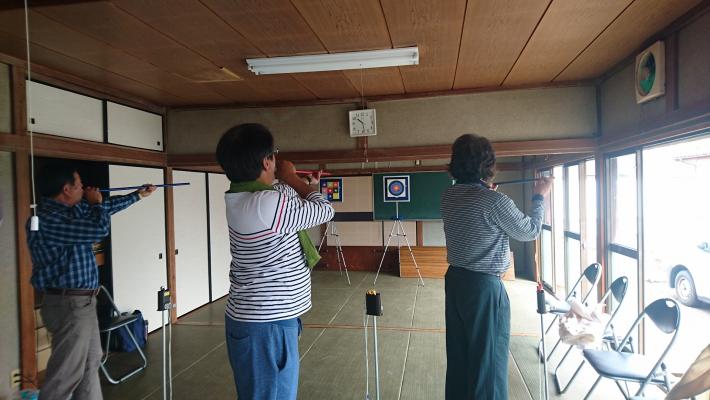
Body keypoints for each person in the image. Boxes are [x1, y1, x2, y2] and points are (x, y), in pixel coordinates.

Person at [216, 123, 334, 400]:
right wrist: (292, 177)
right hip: (267, 326)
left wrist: (305, 185)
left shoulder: (243, 198)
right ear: (266, 160)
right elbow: (325, 210)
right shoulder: (266, 203)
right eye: (274, 155)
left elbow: (284, 198)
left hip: (261, 319)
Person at [27, 161, 155, 400]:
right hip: (68, 305)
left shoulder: (70, 211)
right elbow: (98, 229)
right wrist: (95, 204)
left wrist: (137, 195)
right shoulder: (48, 220)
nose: (83, 187)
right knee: (66, 374)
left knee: (90, 362)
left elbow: (105, 208)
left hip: (81, 303)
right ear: (66, 189)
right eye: (79, 184)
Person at [440, 134, 553, 399]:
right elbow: (530, 231)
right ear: (487, 164)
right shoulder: (494, 201)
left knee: (460, 355)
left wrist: (485, 193)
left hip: (455, 281)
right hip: (483, 288)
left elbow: (475, 209)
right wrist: (539, 197)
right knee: (487, 361)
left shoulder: (449, 196)